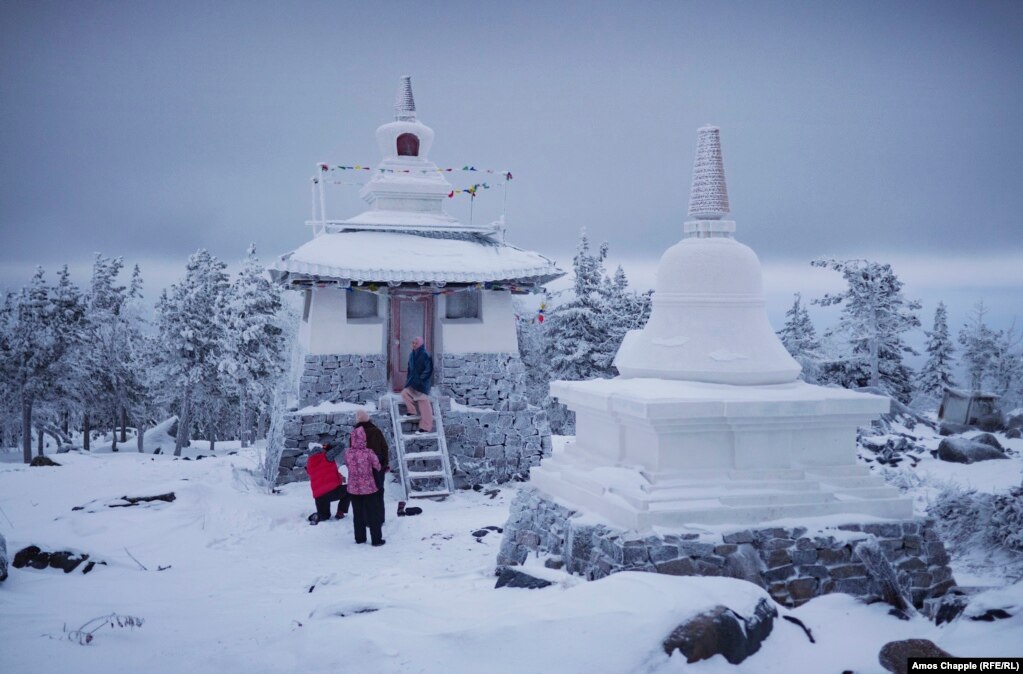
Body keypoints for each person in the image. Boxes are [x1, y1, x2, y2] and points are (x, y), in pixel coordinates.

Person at [345, 426, 385, 546]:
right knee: (373, 513)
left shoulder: (347, 453)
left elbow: (347, 466)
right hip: (369, 488)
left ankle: (360, 538)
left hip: (353, 488)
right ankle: (376, 540)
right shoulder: (369, 453)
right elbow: (377, 466)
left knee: (357, 514)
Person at [355, 409, 390, 522]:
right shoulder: (376, 431)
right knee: (379, 492)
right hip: (378, 466)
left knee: (365, 494)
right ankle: (379, 519)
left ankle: (367, 519)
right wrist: (384, 464)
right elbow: (384, 448)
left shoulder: (355, 433)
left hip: (362, 468)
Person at [305, 443, 349, 524]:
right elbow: (341, 445)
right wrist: (328, 446)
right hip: (331, 492)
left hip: (319, 497)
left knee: (324, 516)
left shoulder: (309, 464)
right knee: (349, 489)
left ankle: (318, 516)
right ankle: (340, 512)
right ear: (322, 450)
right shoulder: (327, 456)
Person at [400, 336, 434, 433]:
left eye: (416, 343)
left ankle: (426, 427)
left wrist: (421, 380)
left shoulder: (425, 355)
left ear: (420, 344)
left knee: (423, 404)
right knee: (404, 393)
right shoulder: (411, 355)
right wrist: (408, 381)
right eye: (413, 343)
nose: (414, 345)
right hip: (413, 383)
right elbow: (410, 370)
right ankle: (412, 411)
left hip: (422, 384)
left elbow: (428, 370)